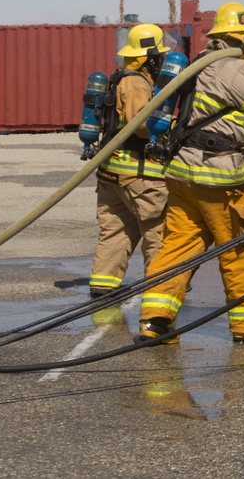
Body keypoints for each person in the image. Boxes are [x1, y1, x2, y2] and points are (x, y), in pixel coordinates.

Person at [137, 1, 244, 344]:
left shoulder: (204, 65)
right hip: (218, 176)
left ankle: (154, 323)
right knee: (241, 248)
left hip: (184, 173)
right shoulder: (232, 67)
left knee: (178, 246)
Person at [90, 23, 171, 298]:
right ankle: (161, 289)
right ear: (150, 57)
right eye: (159, 55)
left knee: (115, 231)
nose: (162, 60)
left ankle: (103, 284)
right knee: (158, 231)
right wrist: (168, 125)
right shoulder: (137, 82)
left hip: (112, 172)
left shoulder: (119, 77)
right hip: (140, 174)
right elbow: (141, 125)